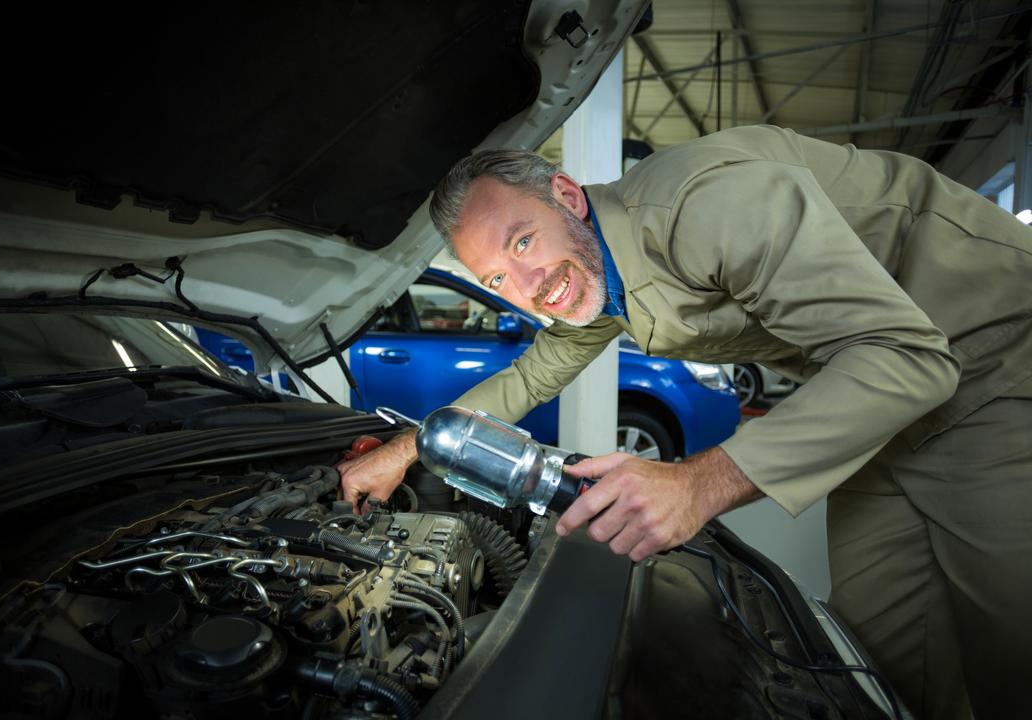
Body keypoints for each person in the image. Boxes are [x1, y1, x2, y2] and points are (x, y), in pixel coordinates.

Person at [338, 124, 1031, 719]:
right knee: (885, 642)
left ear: (568, 197)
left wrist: (698, 481)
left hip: (992, 356)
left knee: (1010, 644)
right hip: (870, 396)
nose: (526, 288)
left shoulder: (703, 206)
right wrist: (406, 450)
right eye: (496, 280)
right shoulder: (590, 272)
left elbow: (911, 356)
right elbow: (530, 374)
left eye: (521, 243)